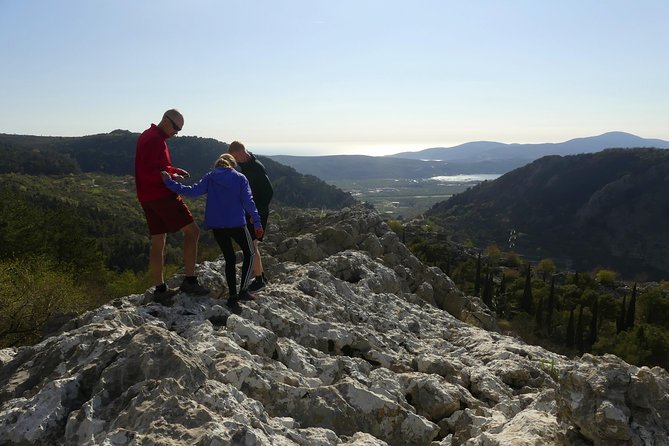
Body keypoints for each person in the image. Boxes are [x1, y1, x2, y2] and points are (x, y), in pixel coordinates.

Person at [161, 153, 264, 306]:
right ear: (232, 165)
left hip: (217, 225)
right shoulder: (240, 178)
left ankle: (233, 296)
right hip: (237, 223)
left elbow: (192, 191)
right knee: (249, 252)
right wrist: (257, 222)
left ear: (218, 165)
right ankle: (242, 290)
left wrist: (169, 183)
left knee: (229, 258)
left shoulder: (210, 177)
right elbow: (248, 202)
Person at [135, 108, 209, 301]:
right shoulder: (155, 140)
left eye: (179, 129)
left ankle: (160, 289)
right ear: (166, 120)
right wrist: (172, 177)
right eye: (176, 127)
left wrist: (174, 169)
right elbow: (149, 172)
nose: (176, 132)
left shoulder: (149, 135)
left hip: (147, 197)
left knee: (158, 240)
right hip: (161, 195)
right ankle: (190, 282)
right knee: (193, 231)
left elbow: (155, 166)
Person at [227, 141, 274, 292]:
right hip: (252, 212)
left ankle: (259, 280)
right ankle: (261, 275)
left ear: (241, 152)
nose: (235, 161)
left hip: (257, 213)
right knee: (252, 244)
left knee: (251, 245)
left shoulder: (256, 168)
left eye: (235, 157)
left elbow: (268, 192)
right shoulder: (247, 166)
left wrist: (256, 214)